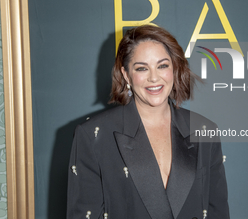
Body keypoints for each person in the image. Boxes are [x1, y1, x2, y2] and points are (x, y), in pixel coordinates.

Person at [67, 25, 230, 219]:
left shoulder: (204, 130)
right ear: (126, 74)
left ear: (174, 68)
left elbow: (217, 211)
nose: (154, 77)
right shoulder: (94, 135)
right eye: (142, 68)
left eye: (162, 65)